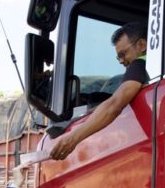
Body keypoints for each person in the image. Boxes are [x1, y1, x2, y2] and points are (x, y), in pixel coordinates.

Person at [50, 21, 149, 160]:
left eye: (123, 54)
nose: (121, 61)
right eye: (118, 57)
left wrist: (73, 138)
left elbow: (114, 105)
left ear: (142, 45)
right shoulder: (153, 66)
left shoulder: (139, 64)